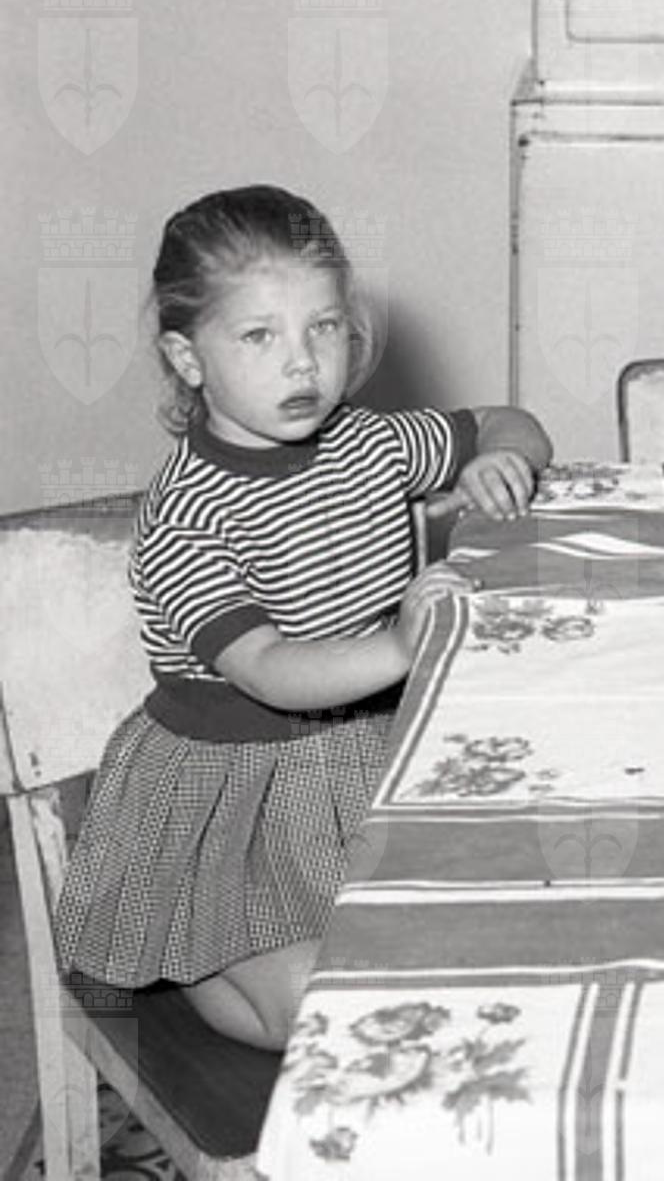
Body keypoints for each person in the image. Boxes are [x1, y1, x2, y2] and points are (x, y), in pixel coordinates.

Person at [55, 184, 552, 1049]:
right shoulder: (185, 516)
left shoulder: (371, 442)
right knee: (324, 1015)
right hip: (234, 797)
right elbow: (271, 671)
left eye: (323, 327)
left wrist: (499, 461)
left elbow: (513, 422)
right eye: (259, 336)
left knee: (507, 936)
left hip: (370, 754)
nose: (302, 365)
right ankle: (195, 951)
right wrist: (399, 644)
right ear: (186, 357)